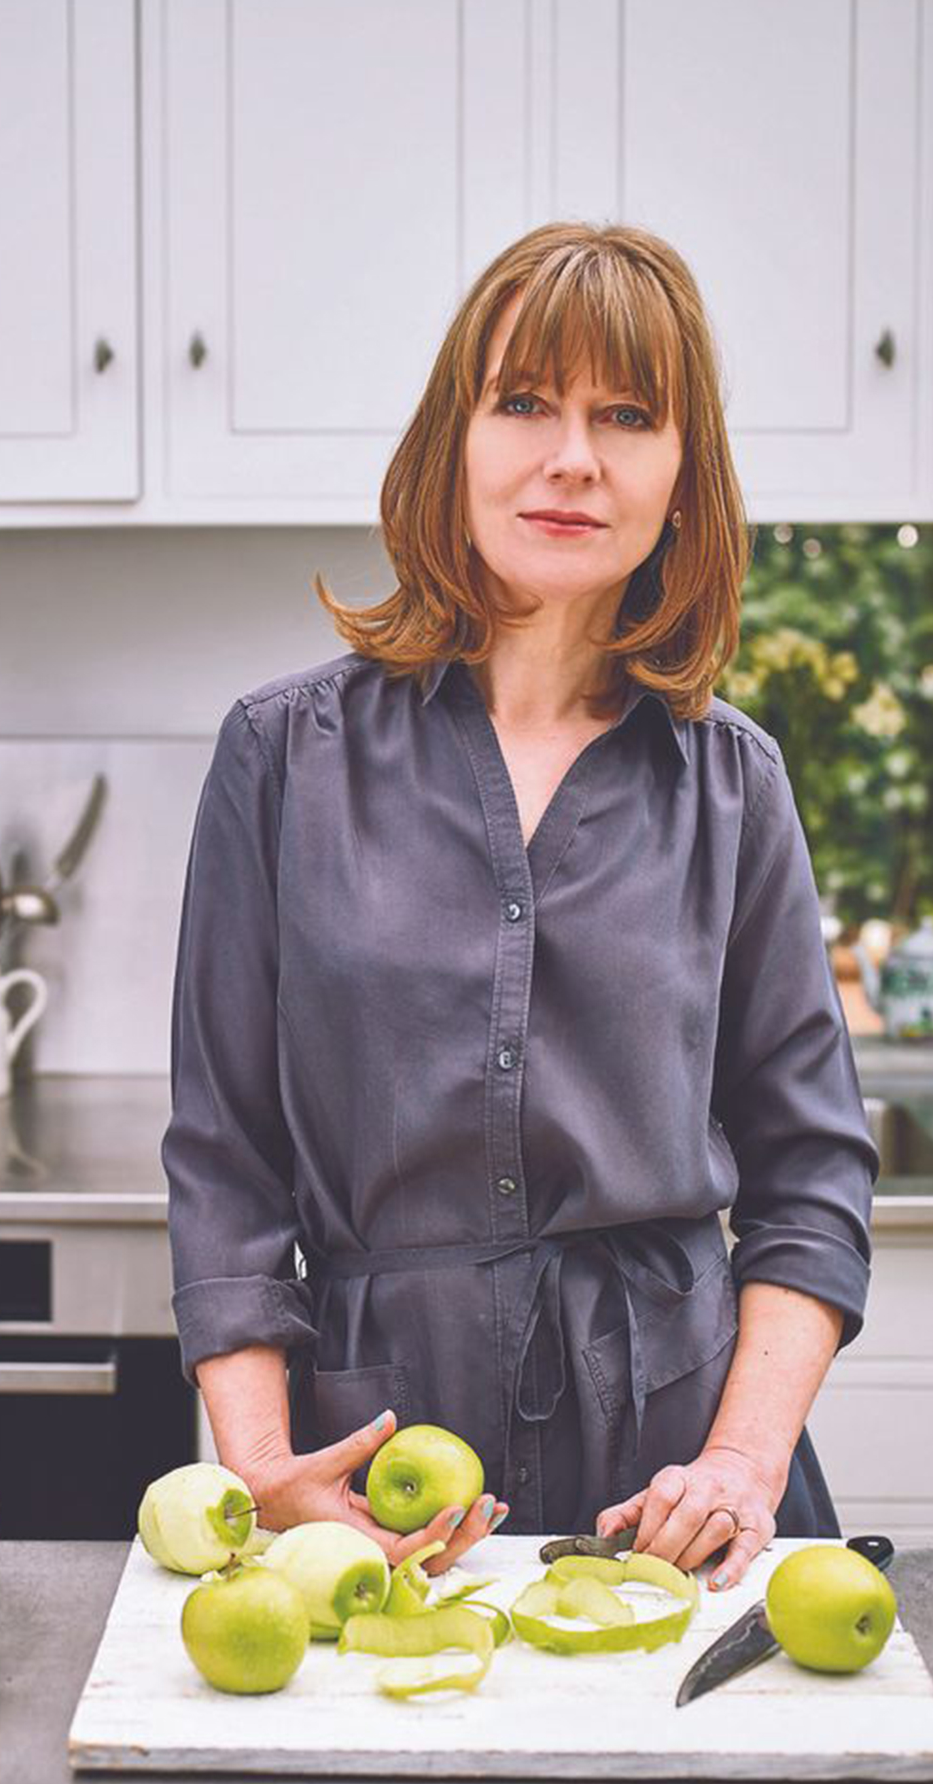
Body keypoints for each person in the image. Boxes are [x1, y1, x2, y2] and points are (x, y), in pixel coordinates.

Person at [160, 222, 877, 1592]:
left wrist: (742, 1463)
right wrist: (263, 1467)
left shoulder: (739, 788)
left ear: (683, 478)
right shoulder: (281, 757)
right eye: (526, 402)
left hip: (682, 1495)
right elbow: (226, 1164)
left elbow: (810, 1181)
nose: (573, 456)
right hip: (363, 1484)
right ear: (456, 440)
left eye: (626, 414)